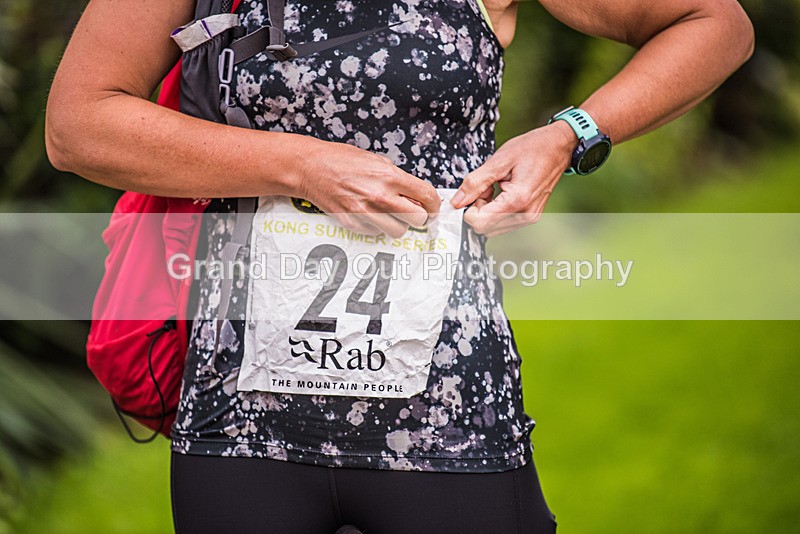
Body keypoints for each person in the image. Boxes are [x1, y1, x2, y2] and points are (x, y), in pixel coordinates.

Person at [46, 0, 753, 532]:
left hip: (447, 413)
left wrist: (571, 135)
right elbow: (78, 123)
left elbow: (714, 23)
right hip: (238, 414)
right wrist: (301, 163)